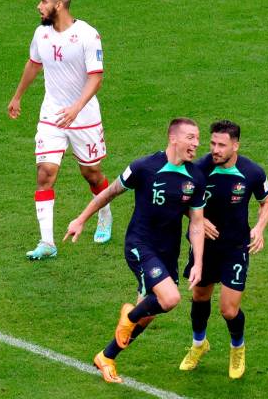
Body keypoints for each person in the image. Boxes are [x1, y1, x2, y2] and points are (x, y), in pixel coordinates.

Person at [64, 118, 206, 384]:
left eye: (197, 138)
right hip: (140, 245)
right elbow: (109, 192)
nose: (196, 144)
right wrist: (81, 219)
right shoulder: (144, 167)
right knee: (170, 298)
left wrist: (198, 261)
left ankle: (106, 357)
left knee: (148, 313)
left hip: (168, 251)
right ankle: (127, 315)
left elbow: (196, 223)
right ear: (173, 138)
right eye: (191, 138)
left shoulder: (196, 177)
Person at [7, 0, 113, 260]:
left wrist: (77, 107)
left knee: (91, 174)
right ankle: (47, 243)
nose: (38, 6)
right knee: (45, 174)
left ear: (59, 5)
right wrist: (18, 96)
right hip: (52, 115)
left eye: (43, 2)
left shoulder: (88, 35)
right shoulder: (41, 33)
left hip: (84, 118)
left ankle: (104, 211)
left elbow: (96, 77)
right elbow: (34, 64)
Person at [178, 120, 268, 379]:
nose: (215, 149)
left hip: (235, 248)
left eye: (222, 145)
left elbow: (266, 203)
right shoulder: (198, 170)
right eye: (212, 143)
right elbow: (182, 200)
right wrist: (198, 218)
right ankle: (199, 344)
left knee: (228, 310)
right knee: (199, 297)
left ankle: (237, 348)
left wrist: (260, 228)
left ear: (235, 145)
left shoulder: (252, 172)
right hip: (203, 248)